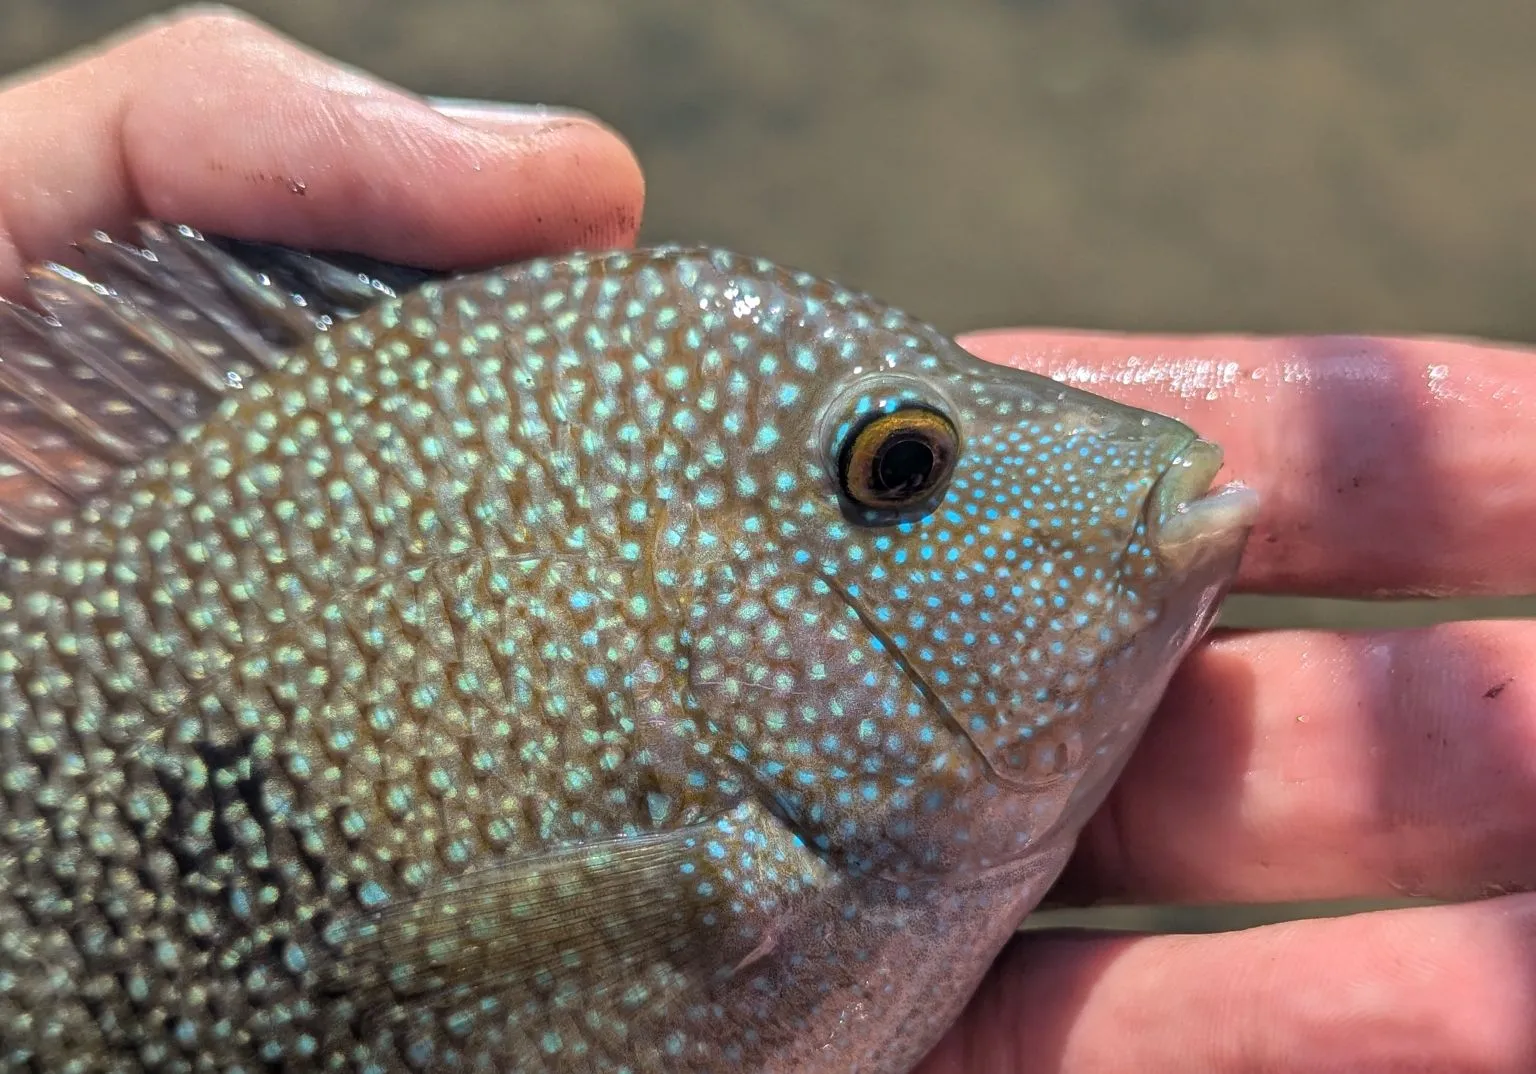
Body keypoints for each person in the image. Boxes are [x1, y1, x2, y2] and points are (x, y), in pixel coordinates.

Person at [4, 9, 1533, 1073]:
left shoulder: (761, 849)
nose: (1091, 474)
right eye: (900, 468)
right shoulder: (731, 865)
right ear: (717, 609)